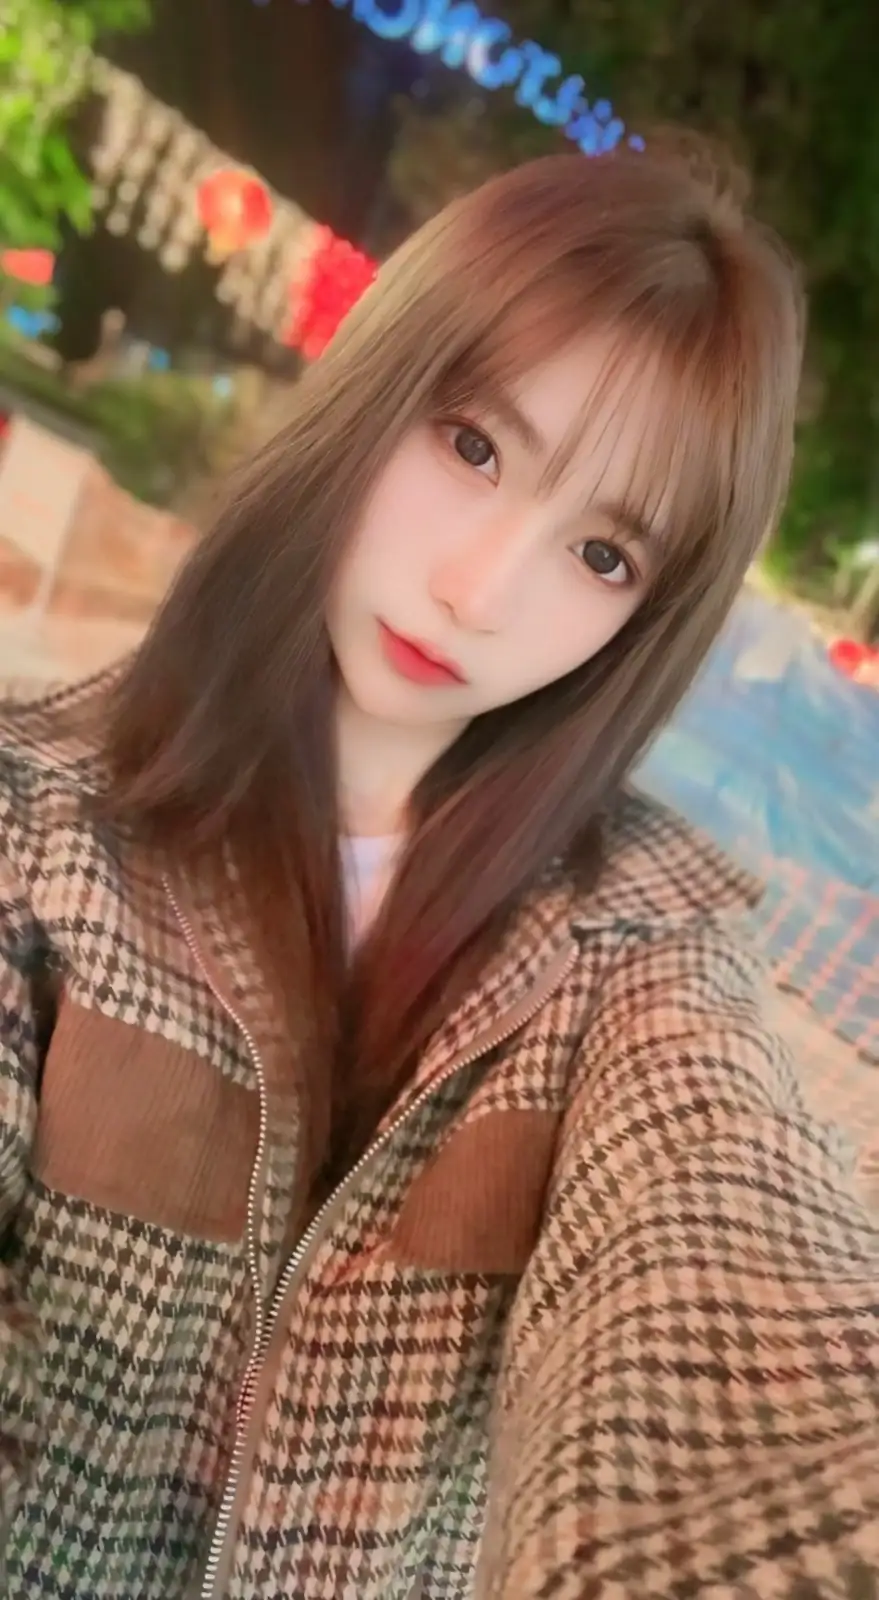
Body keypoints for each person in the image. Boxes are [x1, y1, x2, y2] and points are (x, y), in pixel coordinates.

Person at [1, 141, 877, 1600]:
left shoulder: (637, 958)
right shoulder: (35, 824)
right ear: (380, 383)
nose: (479, 592)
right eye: (472, 446)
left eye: (602, 555)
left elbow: (724, 1238)